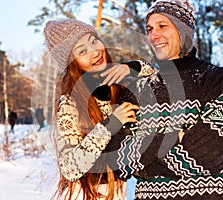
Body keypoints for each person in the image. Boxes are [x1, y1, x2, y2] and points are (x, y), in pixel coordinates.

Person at [104, 0, 223, 199]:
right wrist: (175, 137)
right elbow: (118, 160)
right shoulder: (138, 90)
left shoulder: (217, 79)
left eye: (163, 26)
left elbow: (210, 152)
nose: (154, 35)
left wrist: (146, 151)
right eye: (150, 28)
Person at [44, 19, 156, 200]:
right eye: (82, 51)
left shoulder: (118, 84)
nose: (95, 52)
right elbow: (70, 169)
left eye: (94, 41)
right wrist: (110, 125)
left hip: (123, 189)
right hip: (91, 193)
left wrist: (131, 67)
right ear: (73, 64)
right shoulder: (70, 103)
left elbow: (157, 79)